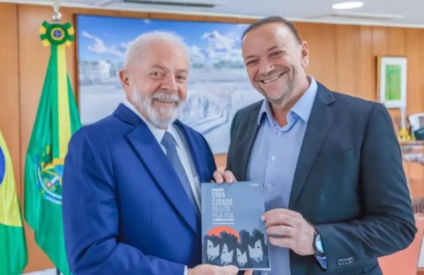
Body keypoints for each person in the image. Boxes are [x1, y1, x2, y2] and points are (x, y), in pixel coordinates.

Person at [214, 16, 417, 275]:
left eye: (276, 53)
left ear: (303, 53)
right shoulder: (243, 121)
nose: (264, 69)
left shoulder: (364, 119)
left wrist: (317, 240)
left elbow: (397, 226)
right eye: (252, 61)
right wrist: (228, 195)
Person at [62, 31, 251, 275]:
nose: (171, 86)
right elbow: (93, 256)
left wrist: (239, 251)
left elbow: (196, 222)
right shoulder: (94, 144)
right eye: (157, 73)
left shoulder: (196, 141)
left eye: (180, 77)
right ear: (126, 79)